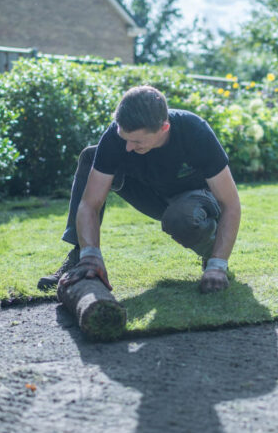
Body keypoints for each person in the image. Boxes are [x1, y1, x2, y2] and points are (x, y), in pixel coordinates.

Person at [37, 85, 241, 294]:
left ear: (163, 128)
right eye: (124, 138)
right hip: (153, 194)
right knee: (92, 156)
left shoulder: (194, 131)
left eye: (136, 141)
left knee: (180, 218)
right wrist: (91, 255)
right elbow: (90, 203)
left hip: (199, 199)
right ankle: (80, 257)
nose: (128, 147)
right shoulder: (116, 137)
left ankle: (214, 252)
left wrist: (218, 265)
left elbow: (230, 204)